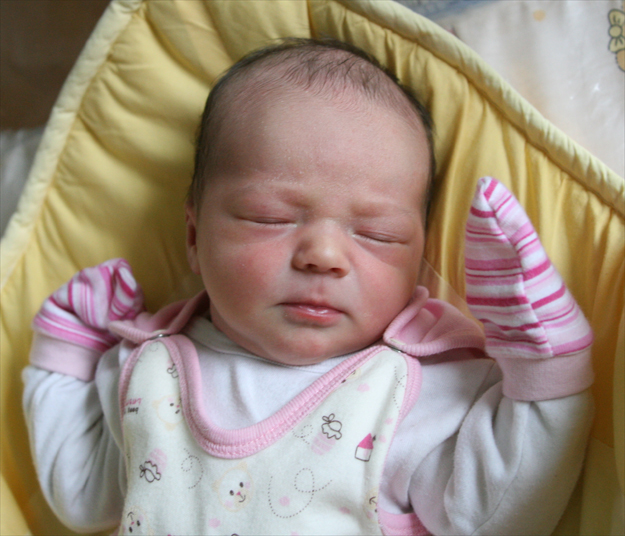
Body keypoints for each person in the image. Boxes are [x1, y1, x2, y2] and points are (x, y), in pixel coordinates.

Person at [23, 39, 594, 535]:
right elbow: (81, 494)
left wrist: (546, 374)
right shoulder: (146, 370)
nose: (323, 255)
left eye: (378, 234)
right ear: (194, 237)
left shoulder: (407, 393)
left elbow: (492, 518)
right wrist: (67, 353)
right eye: (270, 217)